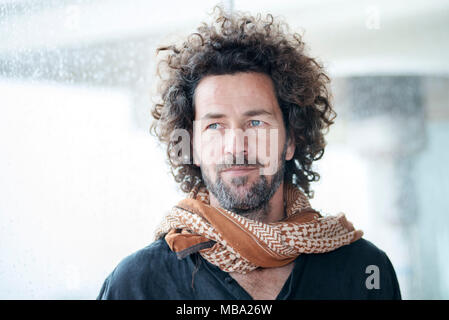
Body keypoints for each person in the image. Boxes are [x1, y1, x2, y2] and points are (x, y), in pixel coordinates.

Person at [97, 6, 401, 300]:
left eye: (256, 122)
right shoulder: (137, 284)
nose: (236, 147)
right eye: (215, 126)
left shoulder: (363, 271)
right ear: (194, 146)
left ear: (291, 139)